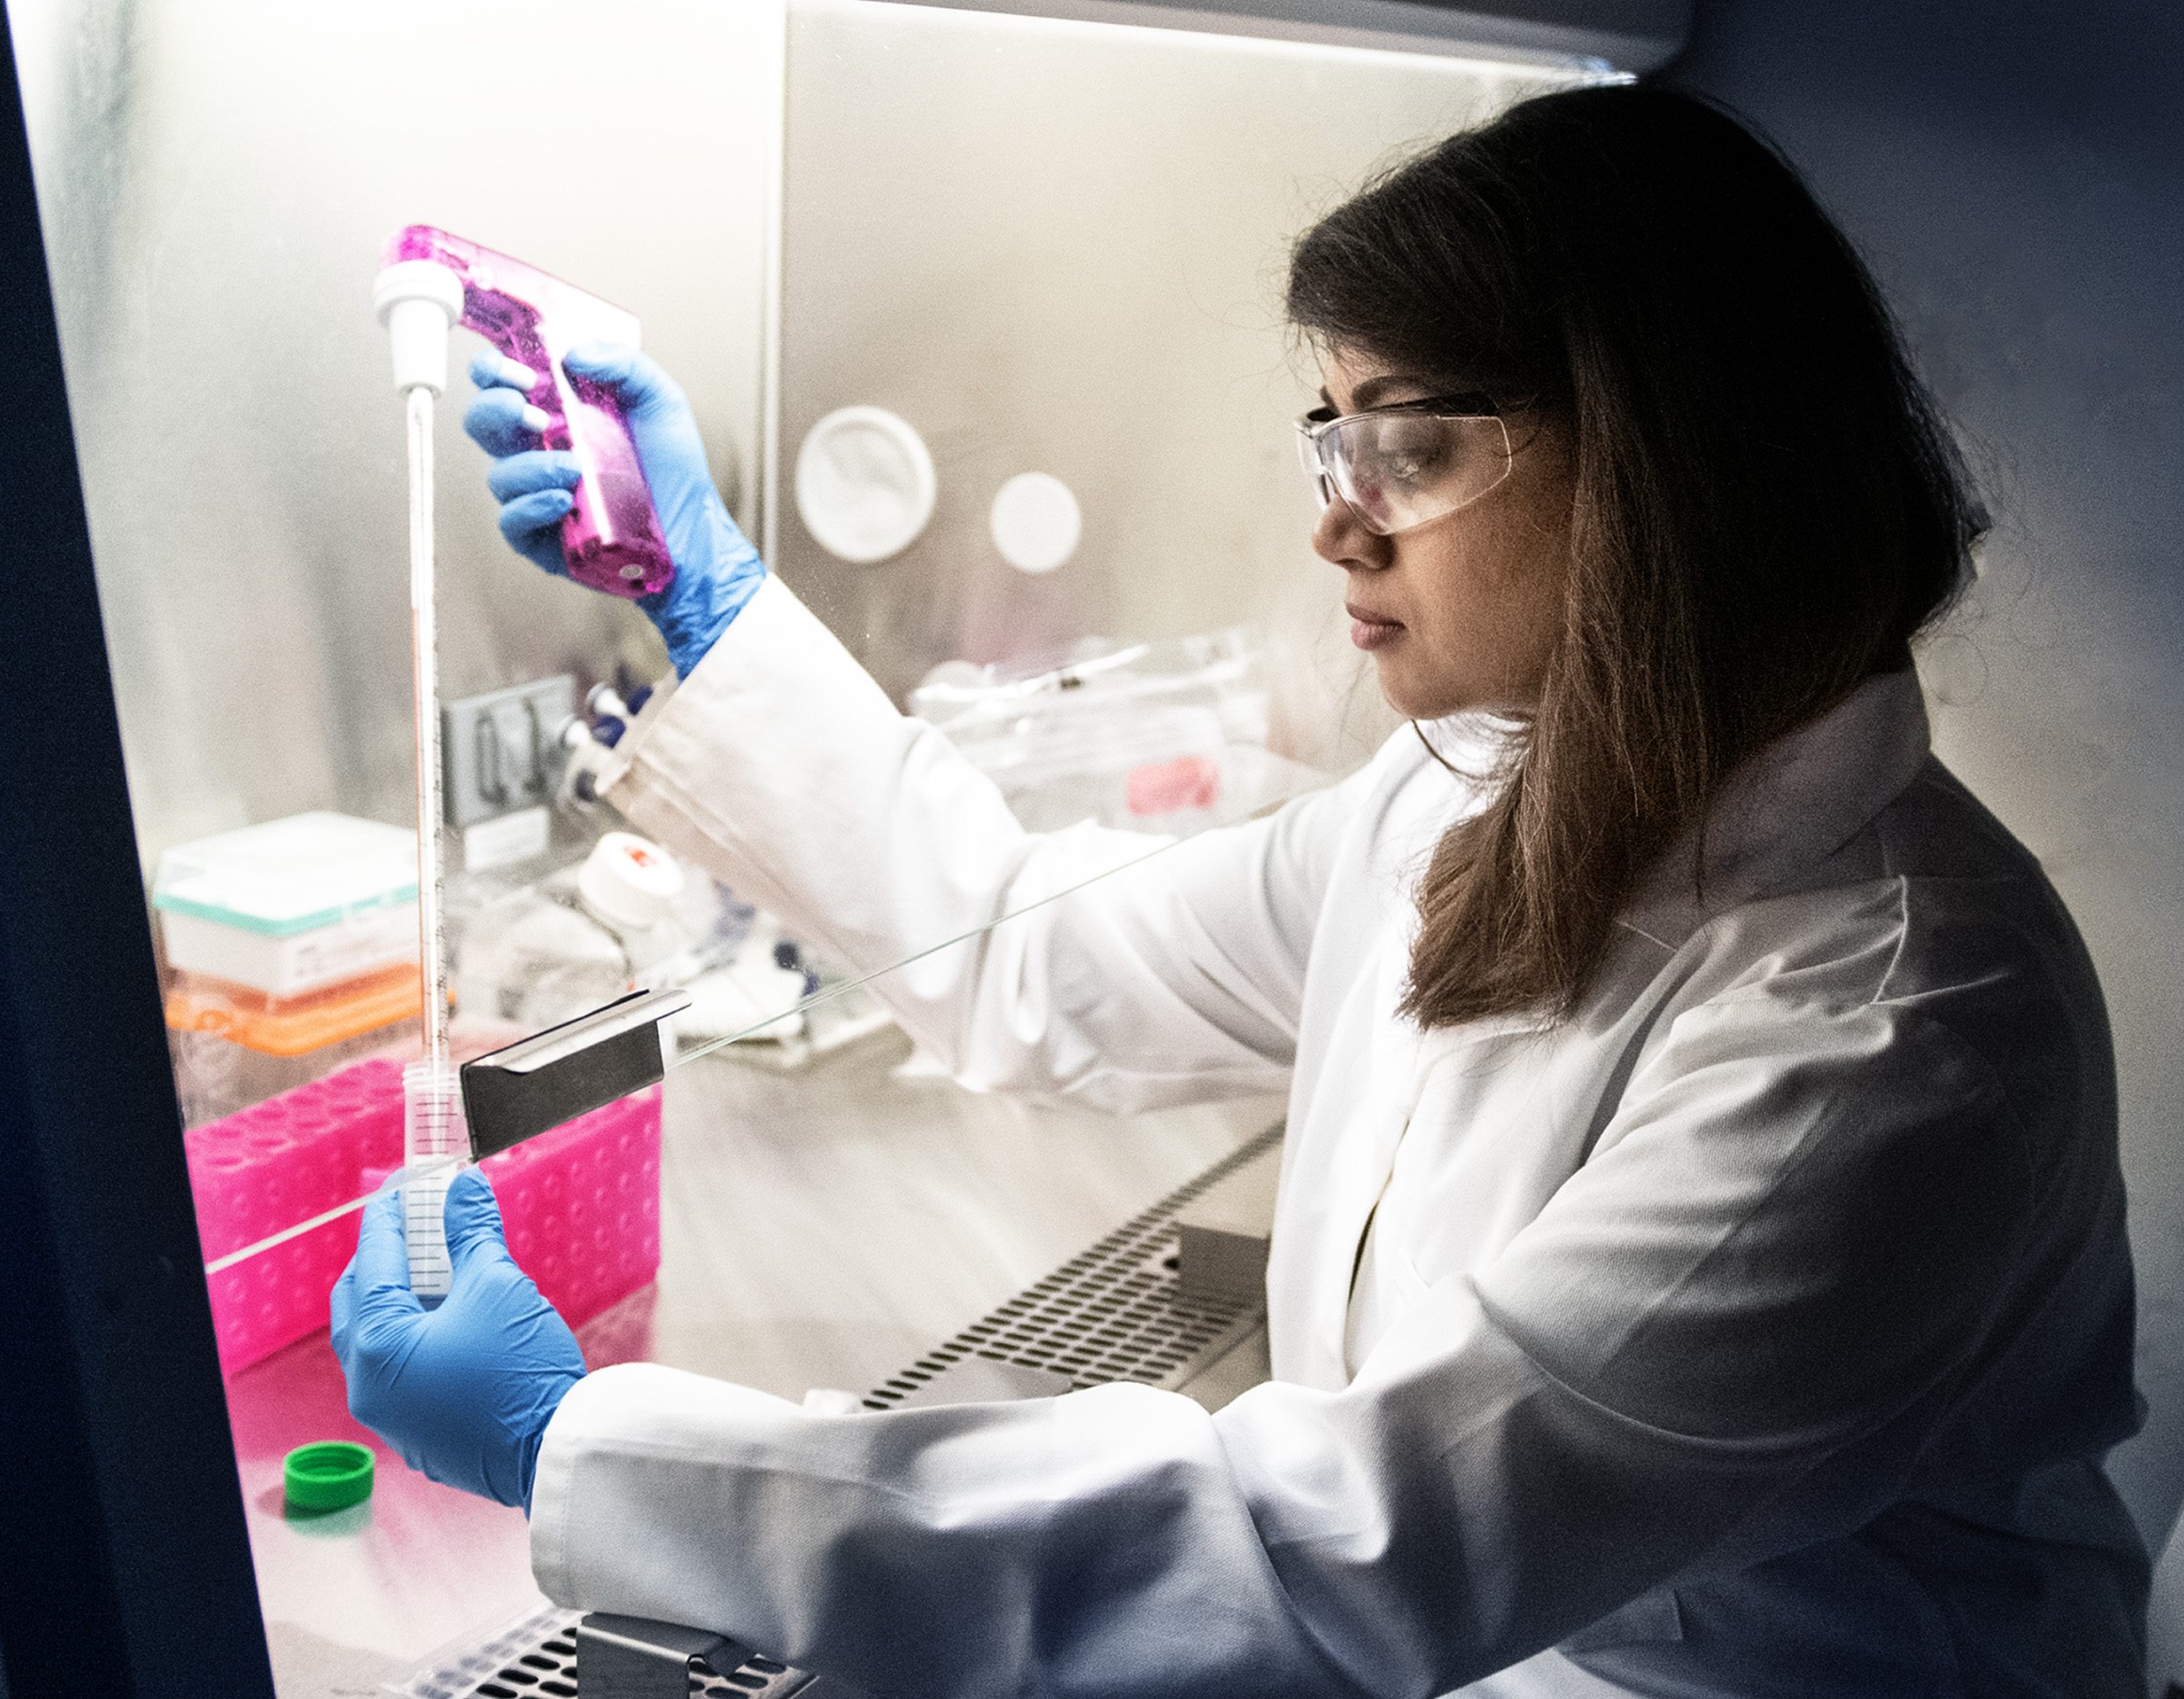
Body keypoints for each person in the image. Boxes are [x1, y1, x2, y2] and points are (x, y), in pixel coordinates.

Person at [332, 85, 2148, 1695]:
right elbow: (1039, 956)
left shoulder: (1898, 1030)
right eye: (1332, 435)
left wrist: (582, 1445)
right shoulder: (1472, 793)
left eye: (1412, 444)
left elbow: (1346, 1545)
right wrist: (712, 608)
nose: (1338, 519)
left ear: (1662, 468)